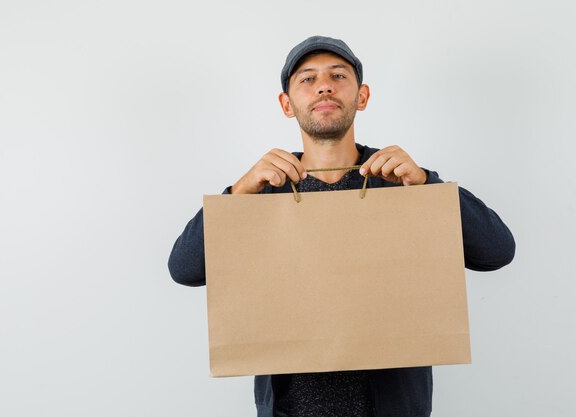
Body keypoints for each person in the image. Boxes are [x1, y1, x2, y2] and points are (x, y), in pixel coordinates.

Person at [168, 35, 516, 417]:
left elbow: (497, 252)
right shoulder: (265, 191)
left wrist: (428, 185)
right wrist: (236, 193)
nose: (324, 86)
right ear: (287, 104)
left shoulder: (398, 182)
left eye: (338, 75)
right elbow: (184, 270)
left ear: (361, 96)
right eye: (307, 79)